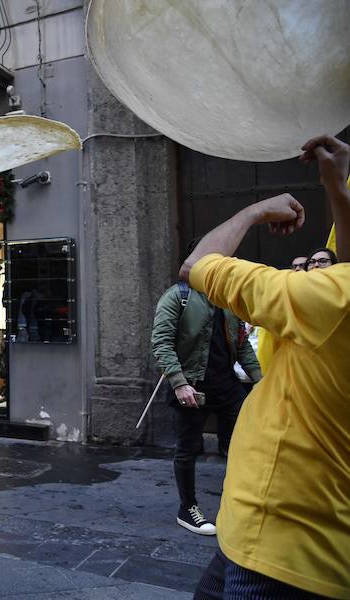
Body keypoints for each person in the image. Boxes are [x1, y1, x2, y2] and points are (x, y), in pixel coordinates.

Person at [184, 135, 349, 599]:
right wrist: (337, 189)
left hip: (279, 547)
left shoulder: (325, 299)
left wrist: (255, 211)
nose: (321, 259)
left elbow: (197, 262)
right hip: (298, 536)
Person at [150, 247, 261, 536]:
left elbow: (241, 345)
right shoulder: (178, 296)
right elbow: (161, 343)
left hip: (227, 386)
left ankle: (239, 506)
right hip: (192, 386)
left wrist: (261, 379)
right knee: (188, 448)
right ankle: (188, 508)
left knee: (240, 445)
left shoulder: (228, 301)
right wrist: (179, 382)